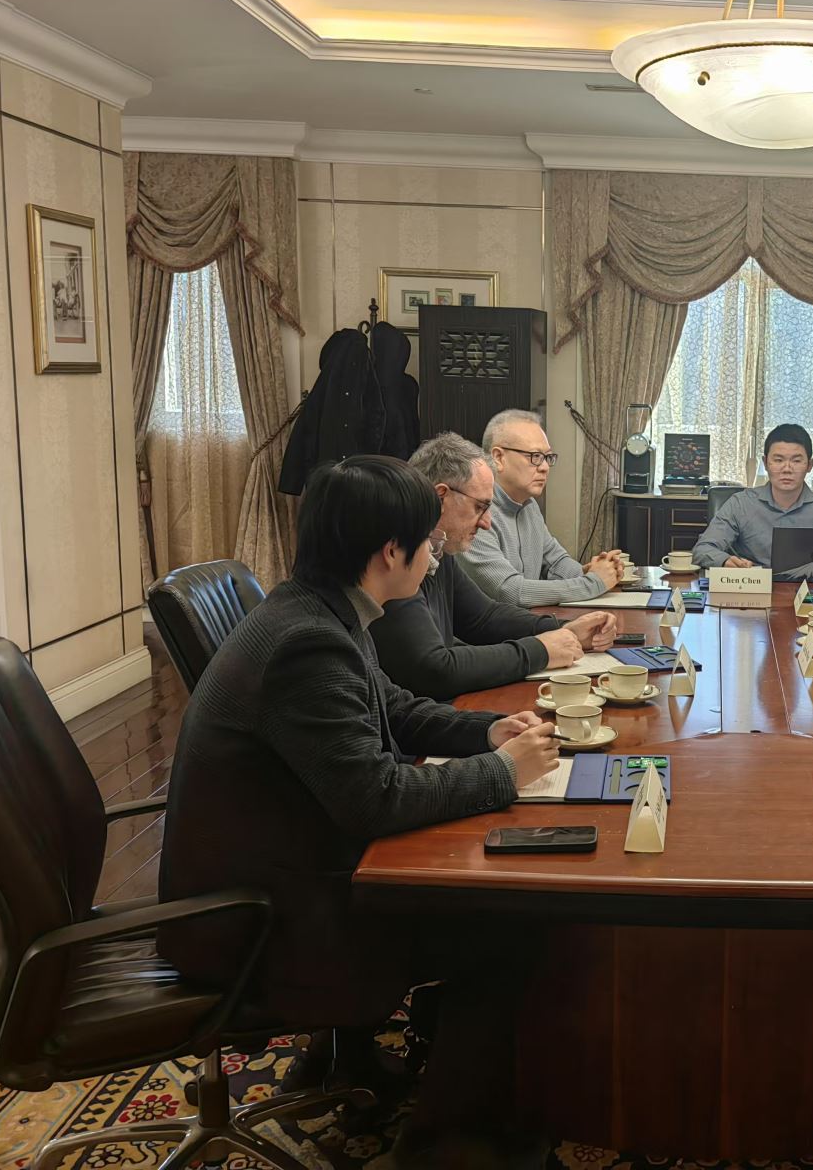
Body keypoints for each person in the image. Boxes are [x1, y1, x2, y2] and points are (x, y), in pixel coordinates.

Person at [157, 455, 562, 1161]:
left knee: (492, 896)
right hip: (262, 922)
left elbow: (394, 707)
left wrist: (488, 732)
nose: (436, 555)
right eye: (428, 541)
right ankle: (452, 1146)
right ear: (390, 552)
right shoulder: (307, 643)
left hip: (273, 877)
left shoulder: (318, 608)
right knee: (510, 922)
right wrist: (502, 774)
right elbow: (376, 798)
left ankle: (361, 1063)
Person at [371, 432, 619, 700]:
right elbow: (433, 669)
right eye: (480, 507)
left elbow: (482, 618)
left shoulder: (440, 551)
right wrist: (541, 650)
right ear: (441, 497)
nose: (487, 522)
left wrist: (563, 630)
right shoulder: (396, 563)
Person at [461, 409, 622, 605]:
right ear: (498, 457)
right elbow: (510, 591)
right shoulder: (474, 512)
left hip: (526, 620)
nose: (545, 467)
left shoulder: (529, 506)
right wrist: (594, 582)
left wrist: (589, 572)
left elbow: (555, 561)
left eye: (547, 457)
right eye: (535, 456)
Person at [690, 423, 813, 573]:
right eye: (778, 460)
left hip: (805, 589)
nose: (787, 469)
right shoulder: (740, 504)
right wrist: (725, 561)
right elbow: (702, 549)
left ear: (810, 465)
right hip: (751, 586)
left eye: (796, 461)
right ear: (765, 463)